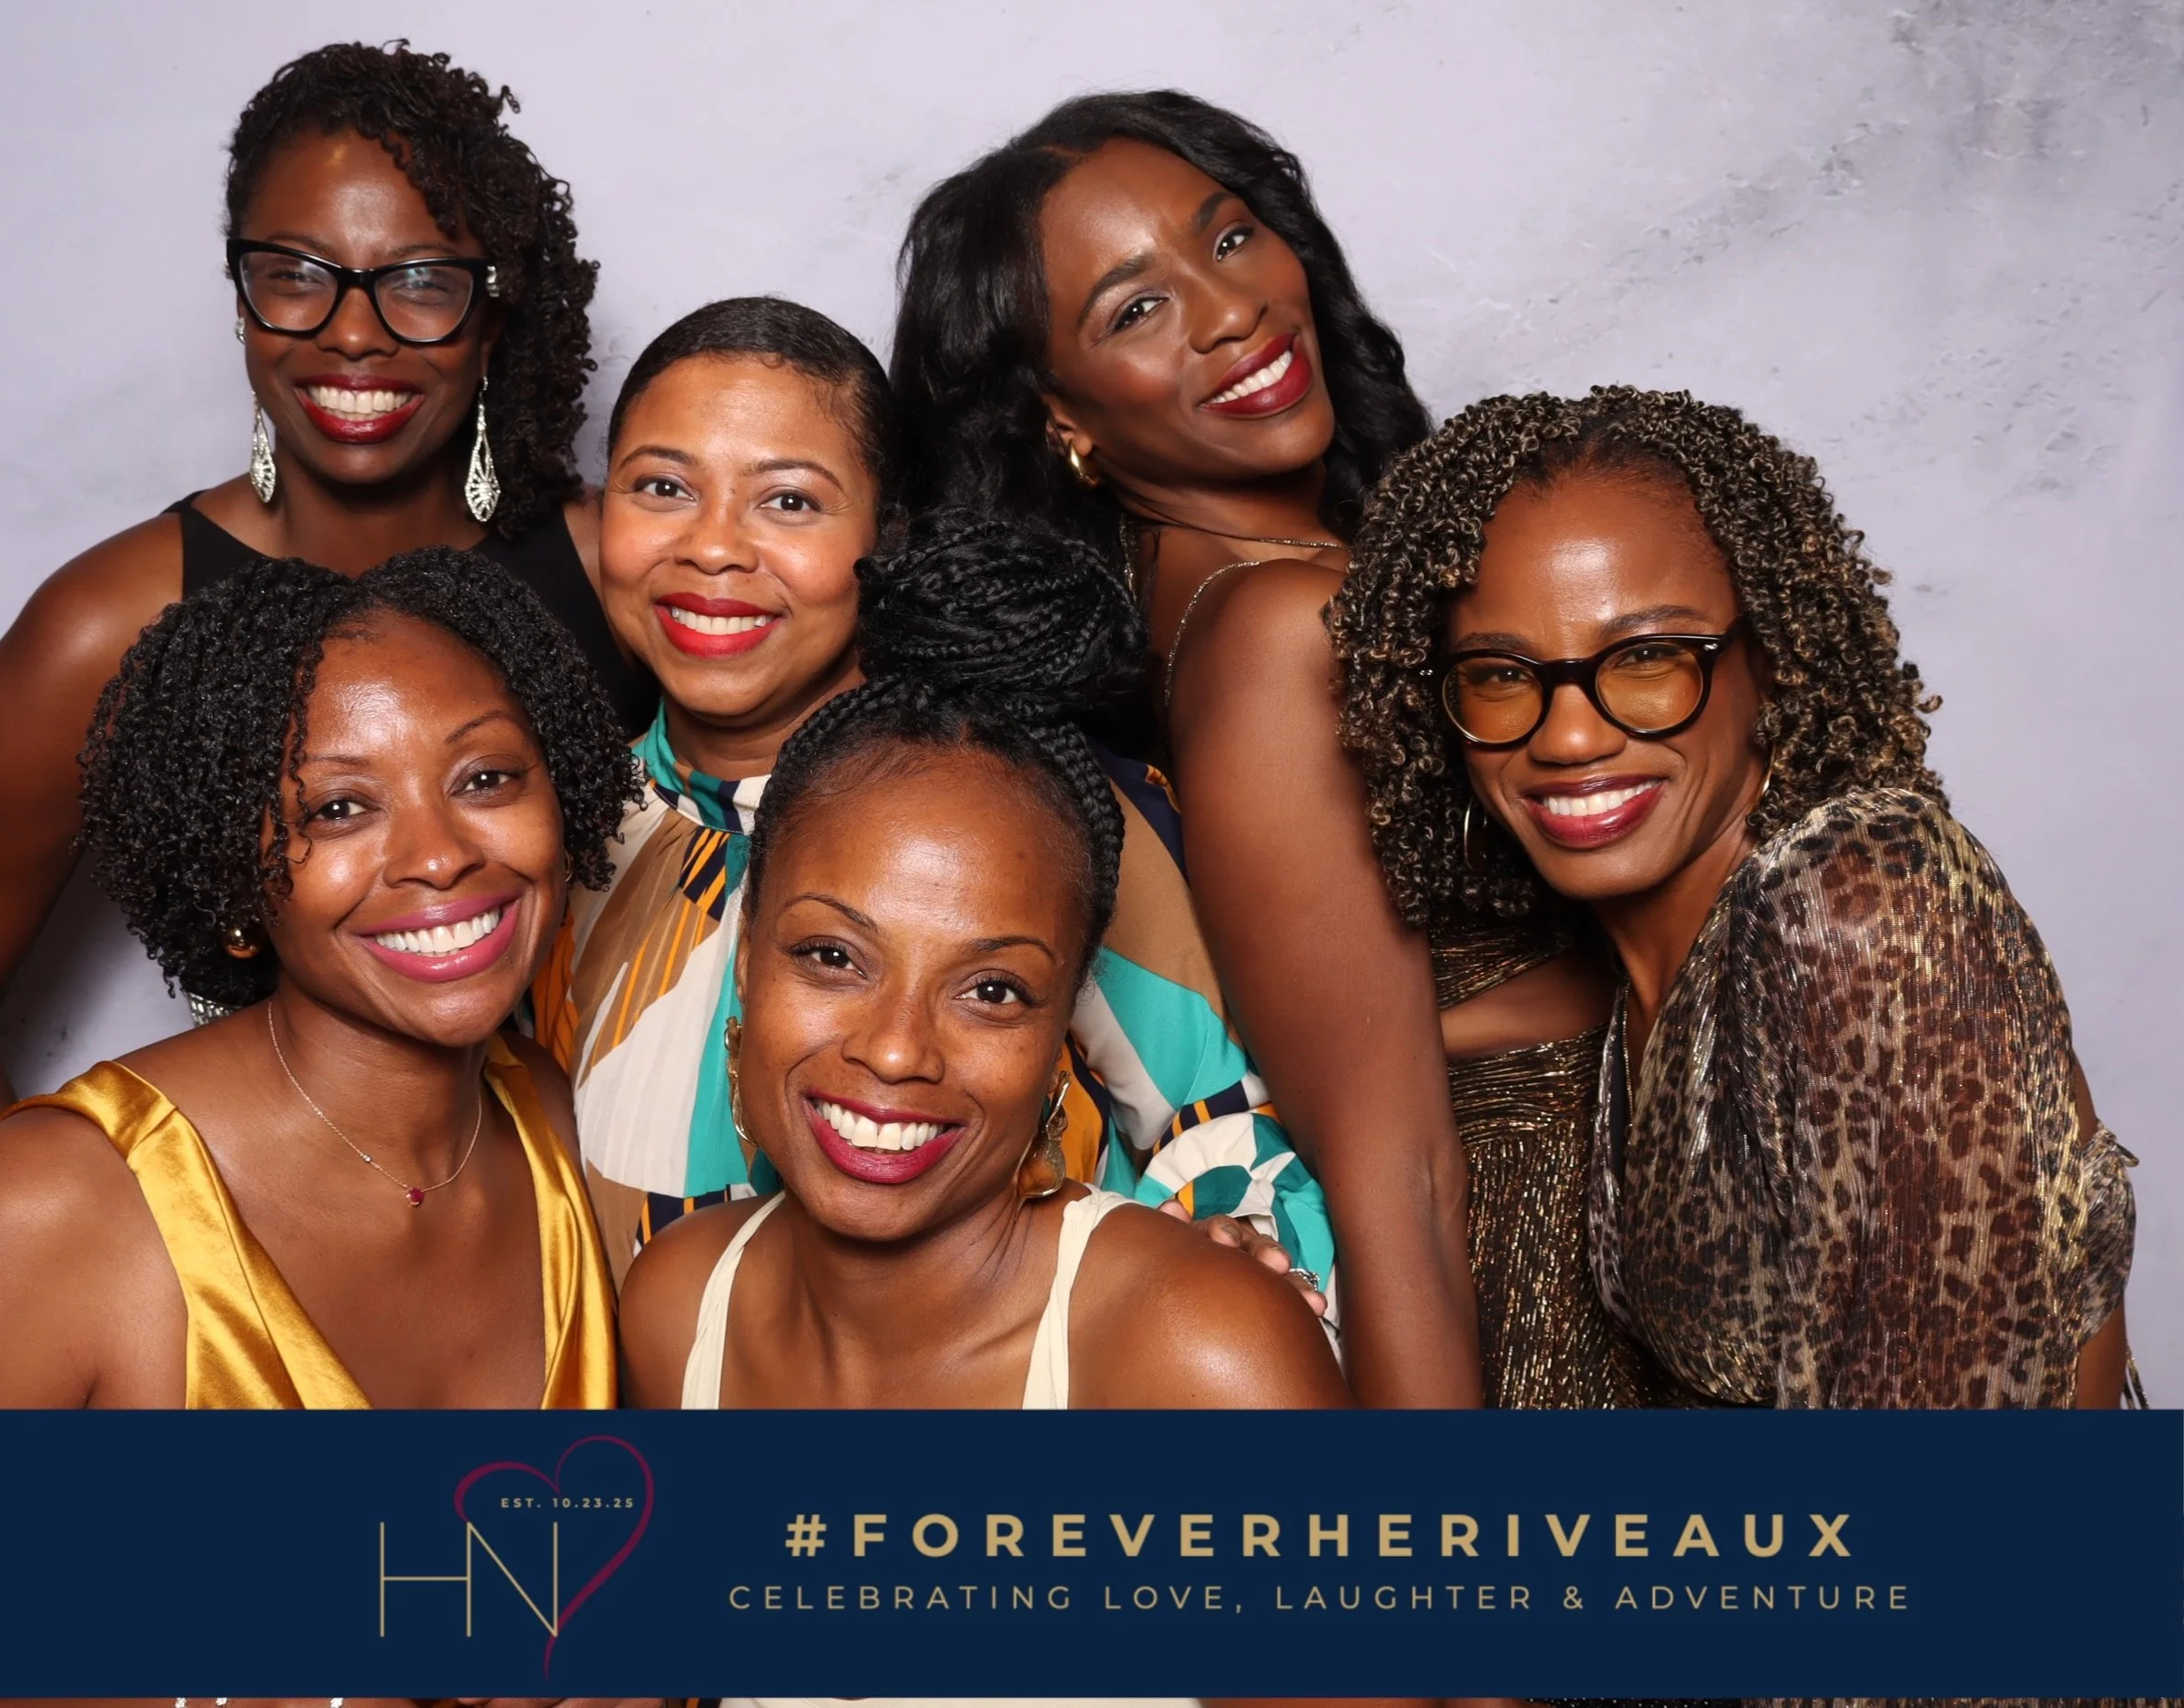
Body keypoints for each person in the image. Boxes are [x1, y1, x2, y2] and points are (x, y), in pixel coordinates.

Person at [893, 91, 1628, 1406]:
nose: (1229, 311)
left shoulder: (1277, 575)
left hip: (1612, 1210)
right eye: (1136, 307)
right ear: (1063, 416)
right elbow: (1390, 1162)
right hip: (1531, 1283)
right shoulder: (1279, 625)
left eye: (1229, 239)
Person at [0, 40, 647, 1181]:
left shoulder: (623, 572)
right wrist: (61, 1282)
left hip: (599, 1251)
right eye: (297, 272)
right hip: (286, 1271)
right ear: (241, 296)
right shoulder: (106, 628)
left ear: (492, 316)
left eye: (419, 281)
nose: (352, 334)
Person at [1330, 384, 2138, 1408]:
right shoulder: (1669, 949)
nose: (1568, 737)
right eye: (1498, 675)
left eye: (1650, 659)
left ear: (1774, 656)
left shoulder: (1857, 908)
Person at [532, 297, 1333, 1309]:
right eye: (662, 488)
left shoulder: (1014, 806)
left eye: (788, 502)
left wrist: (1224, 1271)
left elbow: (1218, 1127)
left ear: (886, 536)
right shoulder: (547, 823)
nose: (714, 549)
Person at [616, 541, 1348, 1416]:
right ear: (746, 963)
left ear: (1064, 1025)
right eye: (833, 956)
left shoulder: (1199, 1350)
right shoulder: (677, 1304)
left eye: (992, 990)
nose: (894, 1050)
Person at [0, 551, 639, 1407]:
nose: (440, 857)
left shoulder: (547, 1114)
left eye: (484, 778)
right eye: (337, 808)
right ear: (234, 877)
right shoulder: (46, 1208)